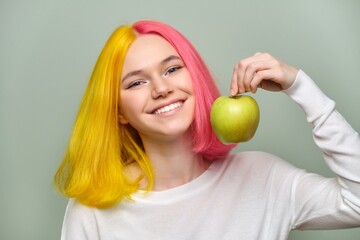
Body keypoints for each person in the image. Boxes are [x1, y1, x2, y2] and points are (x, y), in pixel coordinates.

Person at [54, 20, 360, 240]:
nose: (162, 88)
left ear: (194, 77)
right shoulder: (92, 210)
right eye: (137, 82)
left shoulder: (263, 178)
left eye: (172, 69)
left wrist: (300, 86)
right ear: (119, 111)